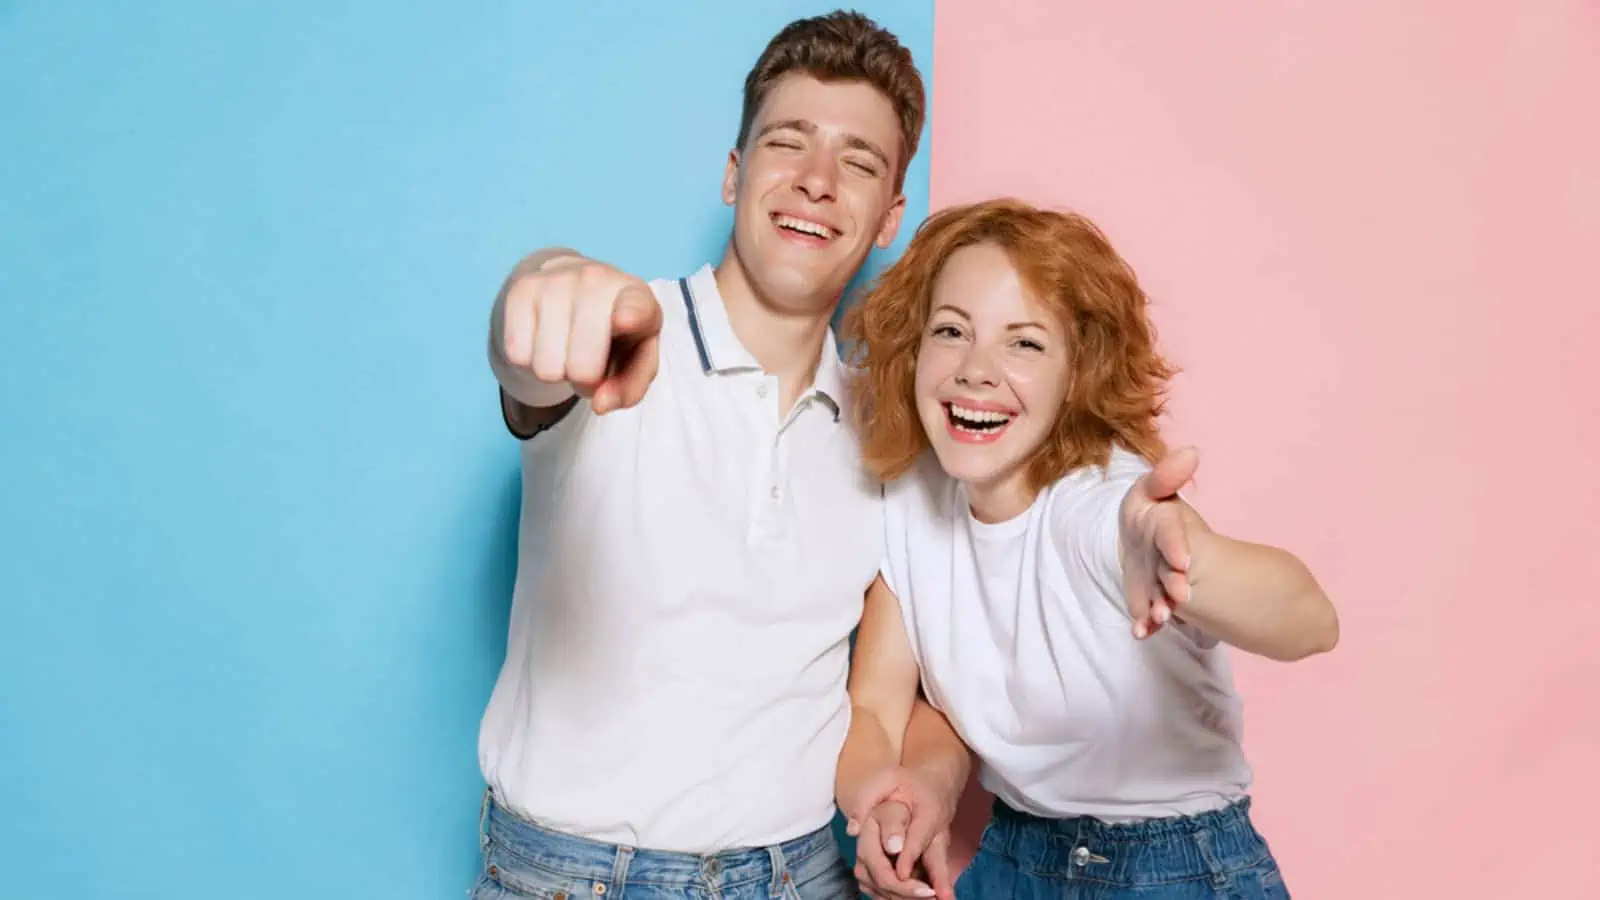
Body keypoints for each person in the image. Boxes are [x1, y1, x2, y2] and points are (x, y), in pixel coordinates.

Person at [473, 11, 964, 900]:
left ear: (890, 217)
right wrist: (543, 285)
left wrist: (920, 787)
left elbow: (907, 693)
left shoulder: (891, 430)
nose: (818, 181)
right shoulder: (624, 331)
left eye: (858, 162)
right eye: (789, 143)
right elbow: (533, 350)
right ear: (735, 175)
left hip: (801, 873)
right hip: (570, 879)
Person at [833, 198, 1340, 899]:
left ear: (1078, 375)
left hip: (1173, 868)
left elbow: (1311, 620)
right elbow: (881, 705)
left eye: (1025, 343)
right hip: (1015, 855)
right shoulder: (914, 498)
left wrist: (1185, 563)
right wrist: (883, 803)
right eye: (952, 331)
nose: (977, 370)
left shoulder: (1101, 502)